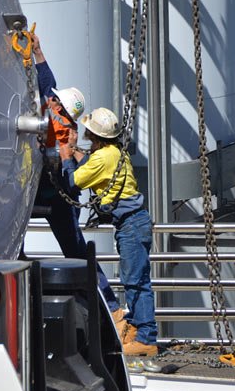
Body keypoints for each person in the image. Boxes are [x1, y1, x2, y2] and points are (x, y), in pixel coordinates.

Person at [31, 34, 126, 336]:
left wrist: (67, 156)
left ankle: (109, 308)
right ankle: (108, 307)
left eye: (56, 100)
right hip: (37, 193)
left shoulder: (65, 133)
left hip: (58, 199)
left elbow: (72, 188)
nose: (51, 99)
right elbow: (47, 80)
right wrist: (38, 51)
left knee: (76, 252)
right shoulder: (51, 109)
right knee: (16, 250)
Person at [59, 107, 158, 357]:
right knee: (135, 280)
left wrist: (65, 157)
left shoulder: (103, 158)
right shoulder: (114, 153)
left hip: (131, 225)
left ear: (94, 134)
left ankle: (146, 338)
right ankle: (136, 331)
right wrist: (78, 153)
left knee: (136, 282)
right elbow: (94, 164)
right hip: (135, 223)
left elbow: (73, 181)